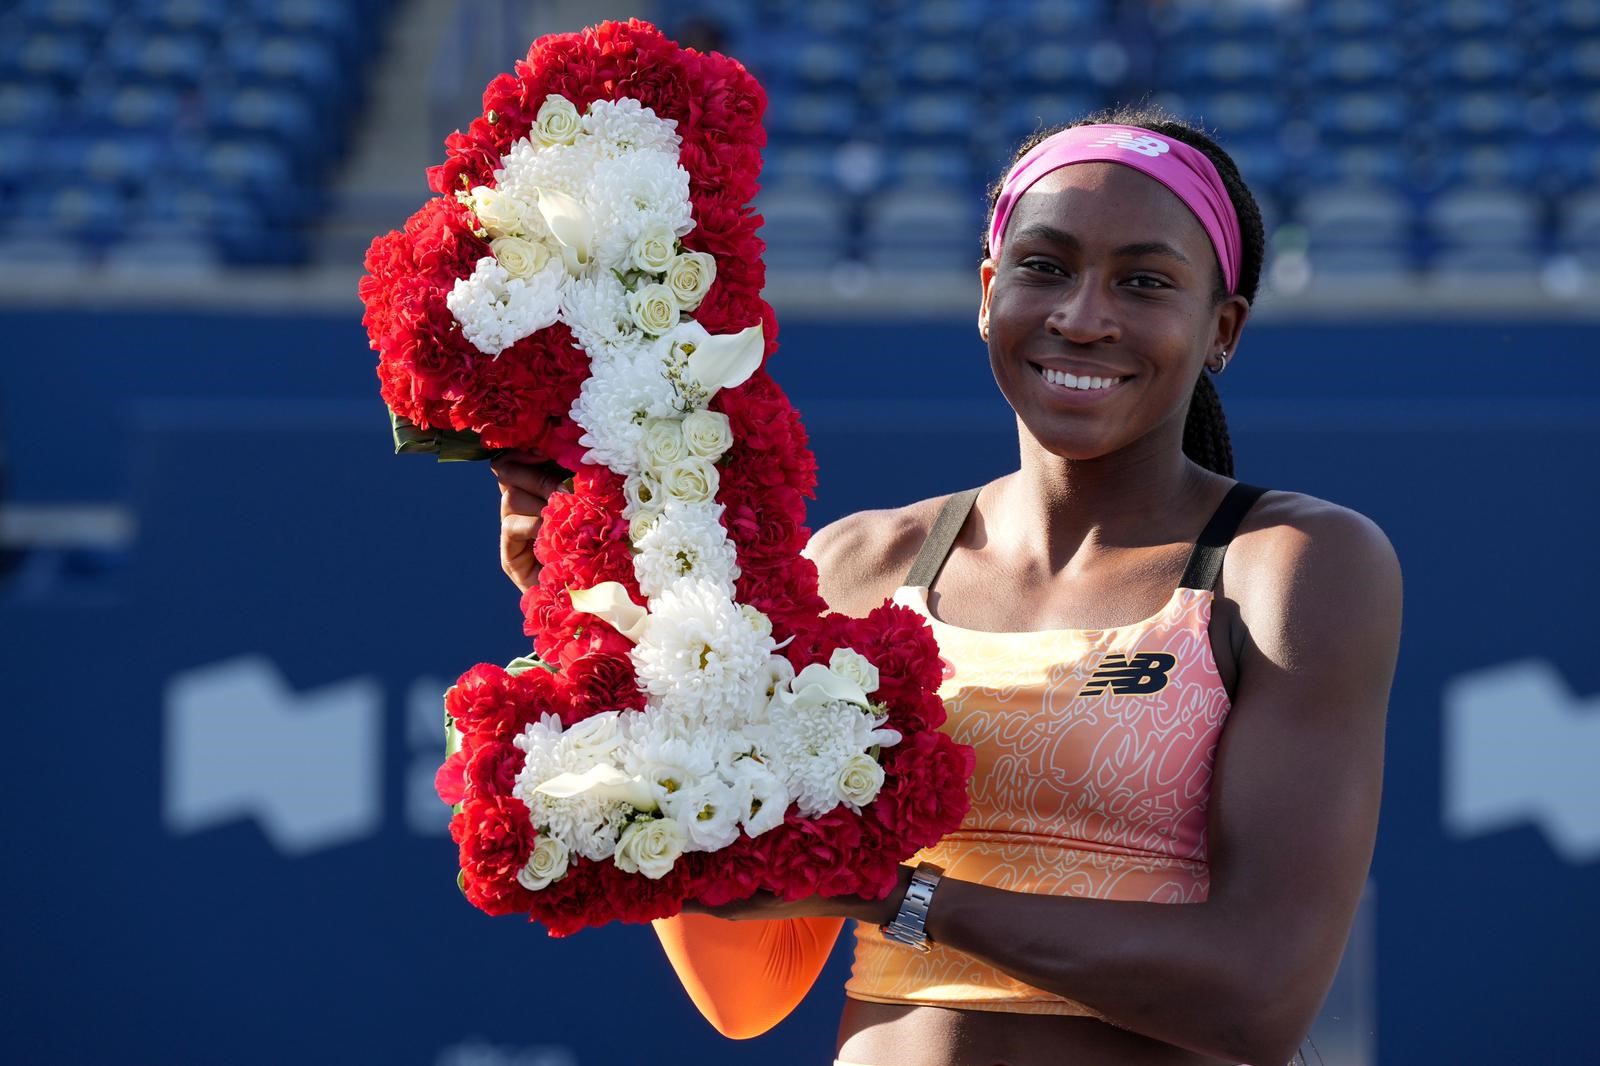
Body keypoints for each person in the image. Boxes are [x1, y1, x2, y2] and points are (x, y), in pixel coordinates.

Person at [490, 105, 1401, 1066]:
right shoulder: (852, 567)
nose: (1083, 316)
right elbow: (744, 987)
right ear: (985, 291)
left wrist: (898, 895)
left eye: (1144, 281)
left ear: (1223, 329)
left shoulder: (1292, 563)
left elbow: (1258, 999)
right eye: (1044, 267)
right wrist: (619, 627)